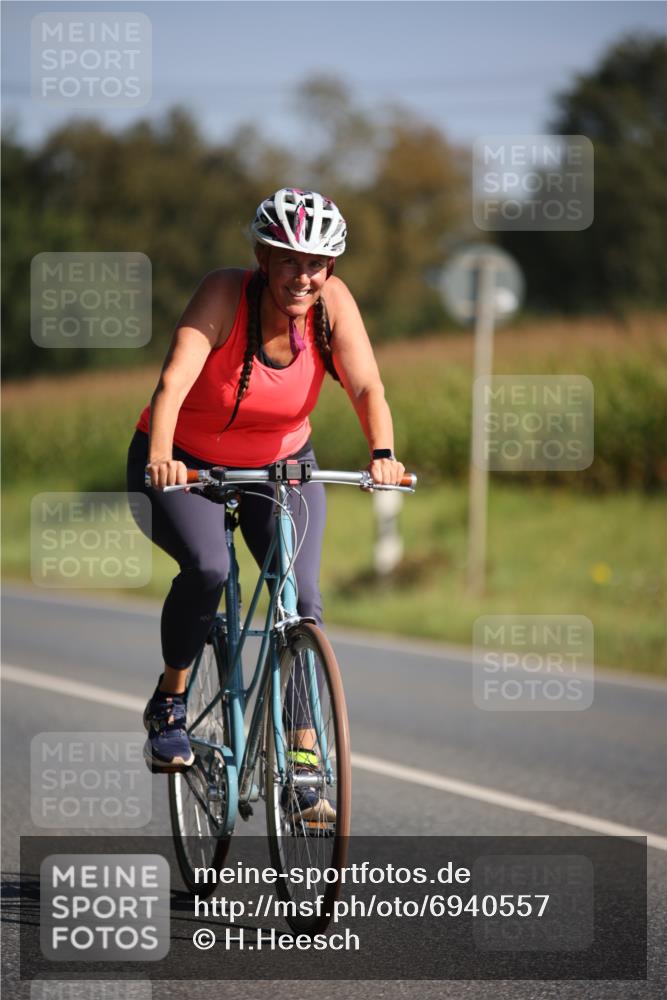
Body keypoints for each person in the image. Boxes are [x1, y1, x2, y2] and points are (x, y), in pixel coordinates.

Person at [126, 187, 405, 812]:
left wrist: (382, 454)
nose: (301, 276)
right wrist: (162, 456)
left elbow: (366, 384)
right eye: (287, 260)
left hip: (281, 467)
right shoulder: (225, 293)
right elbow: (174, 376)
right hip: (185, 463)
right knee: (208, 568)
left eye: (315, 263)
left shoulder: (332, 306)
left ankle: (304, 763)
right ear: (262, 258)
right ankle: (170, 703)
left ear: (330, 266)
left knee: (300, 602)